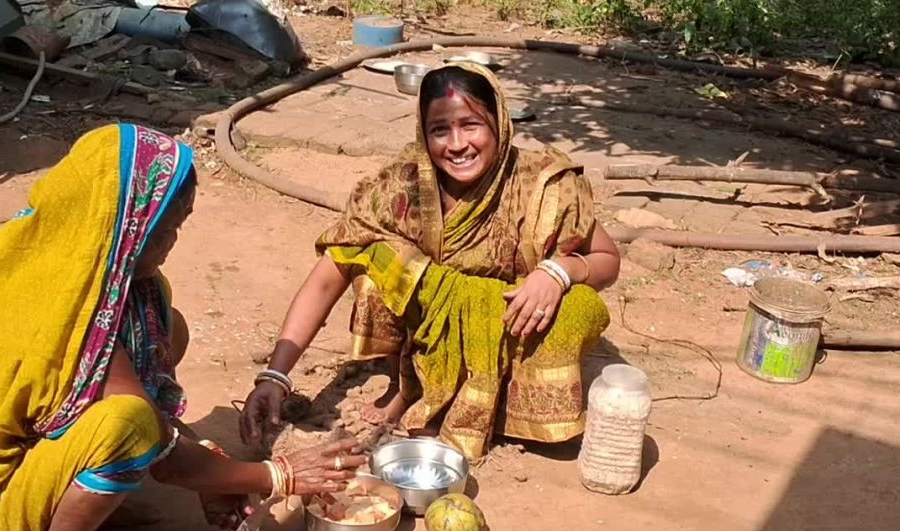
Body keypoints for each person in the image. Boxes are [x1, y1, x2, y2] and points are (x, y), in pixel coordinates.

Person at [0, 124, 363, 531]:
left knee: (166, 328)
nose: (172, 242)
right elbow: (160, 447)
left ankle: (67, 495)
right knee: (125, 423)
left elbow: (154, 414)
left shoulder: (73, 258)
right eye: (163, 227)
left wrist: (208, 462)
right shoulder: (52, 308)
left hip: (17, 465)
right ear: (122, 220)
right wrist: (279, 474)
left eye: (180, 224)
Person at [240, 63, 621, 461]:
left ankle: (502, 403)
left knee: (581, 307)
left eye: (471, 125)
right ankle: (410, 386)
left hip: (510, 319)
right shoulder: (403, 185)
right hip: (426, 322)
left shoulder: (543, 185)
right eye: (440, 130)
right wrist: (276, 376)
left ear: (499, 123)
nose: (457, 145)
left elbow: (606, 259)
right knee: (377, 260)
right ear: (424, 133)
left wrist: (559, 271)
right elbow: (328, 276)